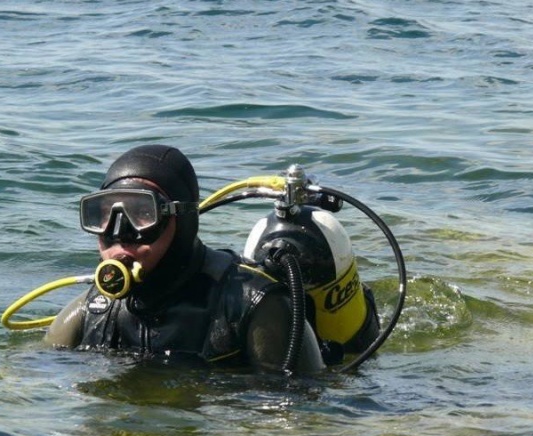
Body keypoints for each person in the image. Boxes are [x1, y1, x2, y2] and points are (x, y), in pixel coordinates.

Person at [44, 144, 326, 374]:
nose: (120, 233)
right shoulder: (94, 311)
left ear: (182, 222)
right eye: (105, 215)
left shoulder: (254, 306)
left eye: (143, 213)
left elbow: (301, 411)